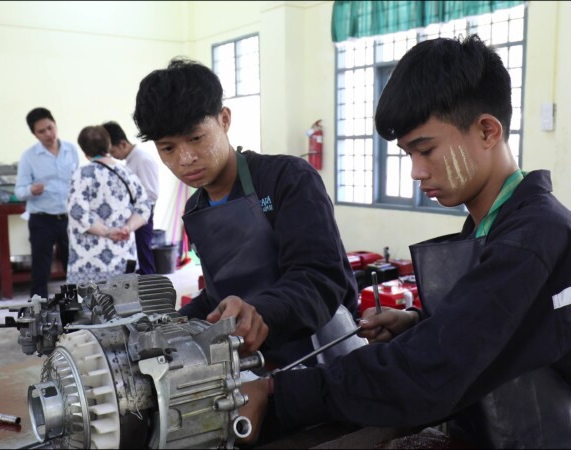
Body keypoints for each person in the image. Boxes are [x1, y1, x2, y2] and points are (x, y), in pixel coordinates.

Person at [238, 35, 571, 448]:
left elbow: (430, 370)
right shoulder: (495, 225)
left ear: (487, 131)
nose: (416, 172)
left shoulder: (533, 237)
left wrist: (281, 392)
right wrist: (421, 324)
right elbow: (512, 333)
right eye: (408, 154)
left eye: (426, 150)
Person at [133, 57, 363, 369]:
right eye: (168, 148)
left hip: (319, 351)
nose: (185, 159)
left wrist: (261, 313)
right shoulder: (195, 209)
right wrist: (174, 322)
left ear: (224, 119)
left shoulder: (287, 178)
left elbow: (320, 278)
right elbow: (219, 295)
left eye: (196, 138)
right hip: (245, 360)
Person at [67, 125, 152, 284]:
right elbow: (144, 207)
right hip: (124, 257)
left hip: (89, 263)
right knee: (124, 304)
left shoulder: (82, 175)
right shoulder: (127, 173)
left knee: (91, 306)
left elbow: (77, 213)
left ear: (85, 153)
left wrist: (107, 232)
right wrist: (128, 228)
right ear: (108, 145)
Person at [14, 107, 79, 299]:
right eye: (41, 131)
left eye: (50, 128)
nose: (48, 134)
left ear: (55, 124)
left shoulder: (71, 150)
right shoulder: (29, 157)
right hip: (42, 219)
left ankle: (74, 305)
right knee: (41, 268)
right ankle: (38, 307)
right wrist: (30, 190)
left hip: (69, 218)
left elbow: (78, 181)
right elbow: (19, 191)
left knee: (73, 265)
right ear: (34, 134)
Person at [102, 121, 160, 275]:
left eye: (112, 151)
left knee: (143, 253)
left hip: (143, 213)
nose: (112, 155)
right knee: (137, 254)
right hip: (133, 213)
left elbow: (152, 193)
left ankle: (151, 287)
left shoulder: (142, 159)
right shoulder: (130, 160)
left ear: (122, 144)